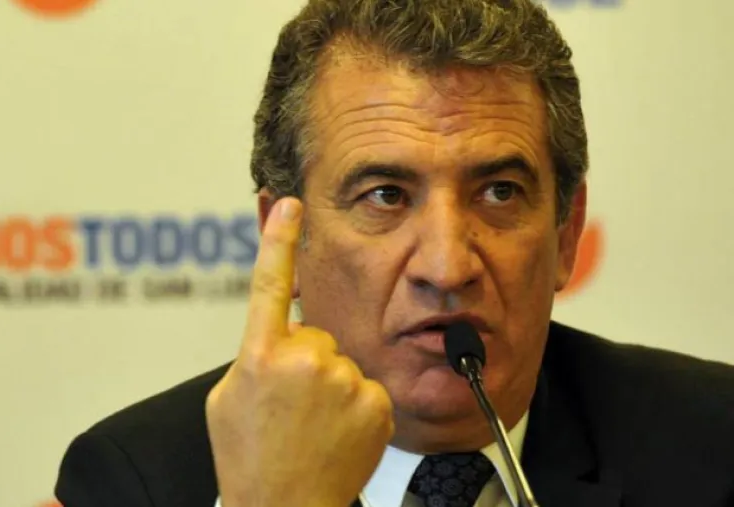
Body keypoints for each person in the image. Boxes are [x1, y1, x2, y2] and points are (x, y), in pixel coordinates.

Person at [53, 0, 734, 506]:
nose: (447, 266)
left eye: (499, 192)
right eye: (385, 195)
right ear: (284, 240)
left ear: (565, 233)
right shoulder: (137, 481)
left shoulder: (714, 445)